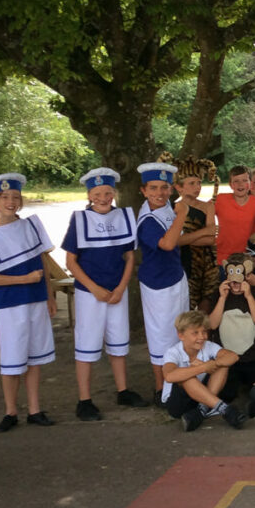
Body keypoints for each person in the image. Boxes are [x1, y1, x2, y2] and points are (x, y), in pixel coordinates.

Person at [0, 173, 57, 432]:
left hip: (37, 300)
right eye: (5, 197)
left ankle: (34, 409)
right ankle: (10, 411)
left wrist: (50, 294)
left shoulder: (31, 227)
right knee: (11, 359)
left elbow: (44, 262)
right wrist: (24, 279)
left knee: (34, 358)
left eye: (16, 197)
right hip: (10, 304)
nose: (11, 201)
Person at [63, 167, 146, 421]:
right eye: (98, 193)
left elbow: (130, 256)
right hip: (91, 294)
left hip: (116, 292)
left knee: (118, 343)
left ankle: (123, 390)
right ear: (90, 195)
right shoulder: (79, 219)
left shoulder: (123, 216)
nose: (103, 197)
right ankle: (84, 400)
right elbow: (71, 262)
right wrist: (94, 288)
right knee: (87, 345)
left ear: (114, 193)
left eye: (108, 192)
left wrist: (121, 287)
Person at [136, 161, 191, 403]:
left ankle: (179, 381)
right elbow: (168, 243)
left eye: (164, 187)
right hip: (157, 283)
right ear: (143, 190)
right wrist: (183, 214)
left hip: (175, 275)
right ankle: (161, 388)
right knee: (161, 335)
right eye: (154, 188)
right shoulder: (147, 218)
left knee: (180, 330)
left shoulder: (167, 205)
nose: (160, 193)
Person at [161, 310, 247, 432]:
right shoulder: (173, 352)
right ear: (181, 335)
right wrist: (202, 368)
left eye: (204, 331)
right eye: (195, 333)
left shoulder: (208, 345)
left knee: (222, 365)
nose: (202, 337)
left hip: (201, 397)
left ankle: (202, 410)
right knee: (186, 376)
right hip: (177, 403)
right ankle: (225, 409)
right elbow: (169, 376)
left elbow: (233, 357)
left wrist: (212, 364)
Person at [207, 254, 255, 397]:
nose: (235, 282)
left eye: (240, 275)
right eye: (231, 274)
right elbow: (212, 324)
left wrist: (249, 296)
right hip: (227, 357)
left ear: (247, 275)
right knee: (226, 394)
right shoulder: (219, 293)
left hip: (252, 356)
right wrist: (222, 298)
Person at [172, 155, 219, 311]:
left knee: (207, 304)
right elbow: (175, 241)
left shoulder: (207, 206)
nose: (197, 187)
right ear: (179, 187)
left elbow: (211, 240)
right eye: (191, 183)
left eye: (199, 183)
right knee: (187, 305)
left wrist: (185, 239)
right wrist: (204, 231)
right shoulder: (175, 208)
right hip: (184, 262)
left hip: (208, 264)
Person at [214, 165, 255, 264]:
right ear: (230, 184)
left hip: (248, 257)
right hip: (223, 257)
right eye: (236, 181)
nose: (240, 184)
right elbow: (203, 211)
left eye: (244, 180)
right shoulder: (220, 199)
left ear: (250, 184)